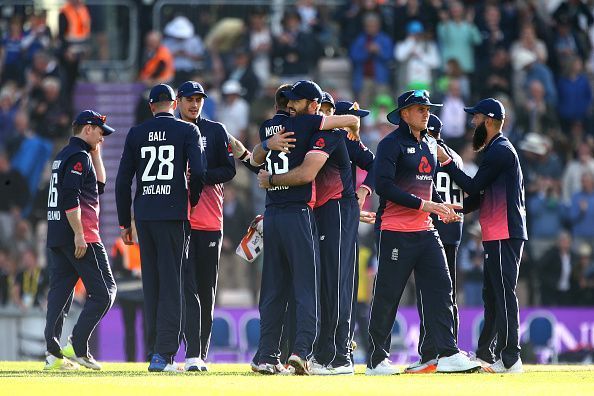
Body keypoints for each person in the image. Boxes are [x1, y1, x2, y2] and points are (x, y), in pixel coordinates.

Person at [250, 80, 360, 375]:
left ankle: (266, 355)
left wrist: (265, 150)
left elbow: (253, 158)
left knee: (272, 289)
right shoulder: (310, 123)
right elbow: (351, 118)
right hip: (299, 213)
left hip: (272, 213)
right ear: (312, 105)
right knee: (306, 286)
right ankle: (301, 352)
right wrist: (354, 130)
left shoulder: (266, 130)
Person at [367, 90, 479, 376]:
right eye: (420, 109)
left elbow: (427, 184)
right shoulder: (389, 144)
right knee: (388, 296)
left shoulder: (430, 143)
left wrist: (442, 206)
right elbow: (384, 186)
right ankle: (377, 360)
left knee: (442, 289)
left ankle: (448, 353)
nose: (426, 113)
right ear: (404, 113)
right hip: (396, 232)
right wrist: (425, 204)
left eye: (427, 108)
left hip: (426, 230)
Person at [115, 83, 206, 372]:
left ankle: (155, 351)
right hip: (173, 214)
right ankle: (165, 354)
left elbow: (121, 182)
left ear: (152, 106)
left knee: (152, 285)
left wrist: (123, 221)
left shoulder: (136, 133)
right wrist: (189, 200)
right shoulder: (187, 130)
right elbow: (199, 171)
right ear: (174, 103)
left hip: (144, 216)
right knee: (173, 283)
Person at [437, 97, 528, 374]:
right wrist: (457, 210)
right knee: (493, 295)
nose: (472, 123)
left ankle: (511, 357)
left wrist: (449, 163)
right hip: (496, 232)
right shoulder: (496, 150)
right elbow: (481, 196)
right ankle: (485, 353)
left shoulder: (500, 150)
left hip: (504, 231)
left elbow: (474, 186)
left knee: (503, 293)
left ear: (488, 120)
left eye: (475, 118)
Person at [44, 110, 117, 371]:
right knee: (106, 291)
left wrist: (95, 153)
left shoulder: (65, 154)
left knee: (61, 294)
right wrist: (79, 233)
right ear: (87, 129)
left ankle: (53, 355)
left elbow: (99, 185)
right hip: (81, 233)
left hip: (57, 234)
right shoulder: (78, 156)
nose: (102, 139)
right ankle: (79, 345)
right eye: (99, 133)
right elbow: (70, 197)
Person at [175, 81, 236, 372]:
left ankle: (200, 353)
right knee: (184, 289)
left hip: (210, 220)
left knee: (205, 289)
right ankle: (184, 352)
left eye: (198, 99)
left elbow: (230, 169)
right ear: (178, 101)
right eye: (189, 99)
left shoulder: (215, 130)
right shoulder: (171, 132)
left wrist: (199, 175)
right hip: (180, 221)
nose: (194, 104)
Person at [404, 113, 464, 374]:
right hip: (454, 228)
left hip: (432, 228)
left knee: (427, 294)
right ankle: (450, 348)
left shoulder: (427, 152)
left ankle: (431, 353)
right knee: (448, 293)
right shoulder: (456, 157)